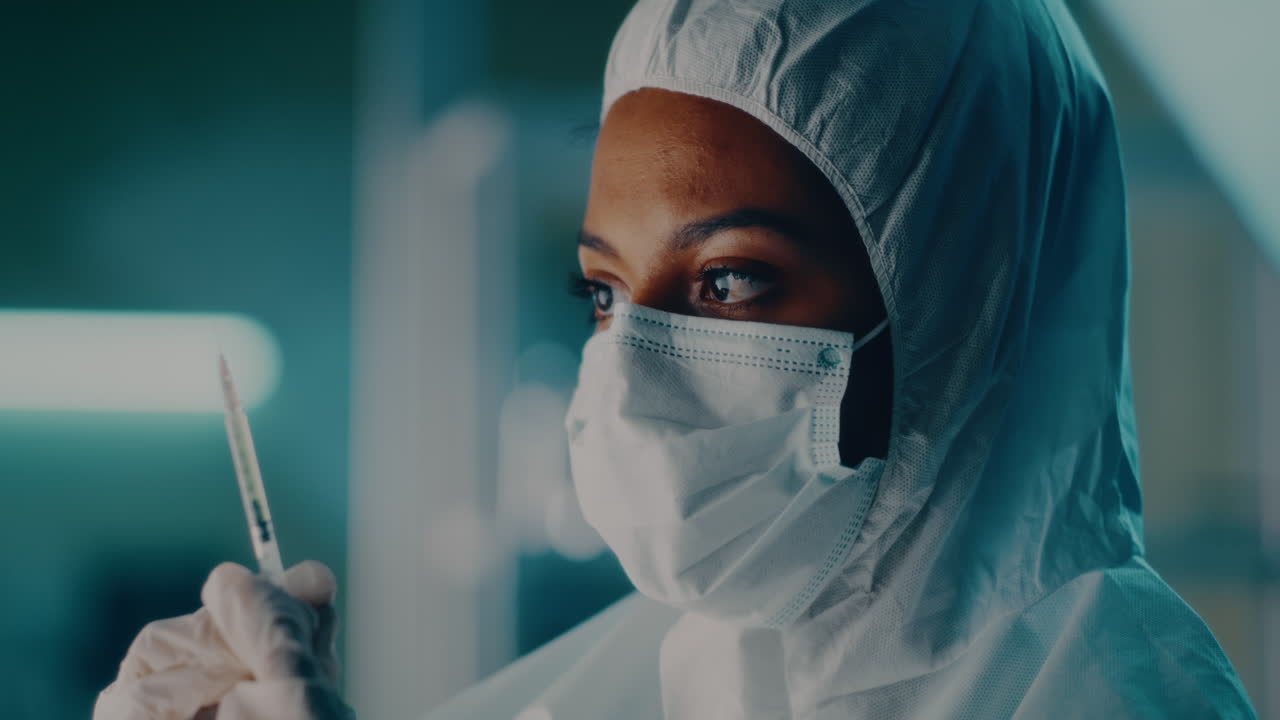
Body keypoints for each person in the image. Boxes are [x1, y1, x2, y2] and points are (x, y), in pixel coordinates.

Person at [95, 0, 1259, 718]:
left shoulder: (1114, 700)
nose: (629, 377)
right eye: (602, 292)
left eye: (727, 280)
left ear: (967, 301)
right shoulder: (684, 674)